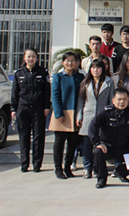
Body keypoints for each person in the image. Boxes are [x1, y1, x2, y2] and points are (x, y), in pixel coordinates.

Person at [89, 88, 129, 188]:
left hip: (125, 147)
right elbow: (93, 126)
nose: (122, 102)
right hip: (108, 147)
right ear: (113, 100)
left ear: (128, 100)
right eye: (119, 99)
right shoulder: (106, 113)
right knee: (97, 152)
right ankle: (102, 179)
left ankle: (121, 172)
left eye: (124, 99)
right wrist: (97, 143)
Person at [11, 48, 50, 173]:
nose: (31, 59)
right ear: (24, 58)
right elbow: (15, 92)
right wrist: (13, 108)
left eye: (33, 56)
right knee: (24, 136)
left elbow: (46, 91)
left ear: (36, 58)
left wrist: (47, 106)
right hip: (23, 108)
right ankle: (24, 164)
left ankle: (37, 164)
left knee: (39, 136)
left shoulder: (42, 72)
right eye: (28, 56)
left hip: (38, 108)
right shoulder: (18, 73)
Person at [76, 59, 115, 179]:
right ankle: (87, 168)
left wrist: (109, 114)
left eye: (98, 68)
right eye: (93, 68)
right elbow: (81, 100)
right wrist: (79, 116)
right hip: (88, 115)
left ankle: (97, 167)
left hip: (102, 116)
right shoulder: (85, 82)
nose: (95, 70)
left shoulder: (109, 82)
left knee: (99, 143)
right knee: (87, 144)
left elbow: (111, 100)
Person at [51, 51, 85, 179]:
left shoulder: (80, 77)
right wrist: (58, 113)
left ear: (77, 62)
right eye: (67, 60)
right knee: (59, 142)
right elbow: (55, 96)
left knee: (72, 143)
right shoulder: (58, 77)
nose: (70, 63)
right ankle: (58, 168)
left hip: (75, 113)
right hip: (62, 112)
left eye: (73, 60)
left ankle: (68, 167)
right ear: (63, 62)